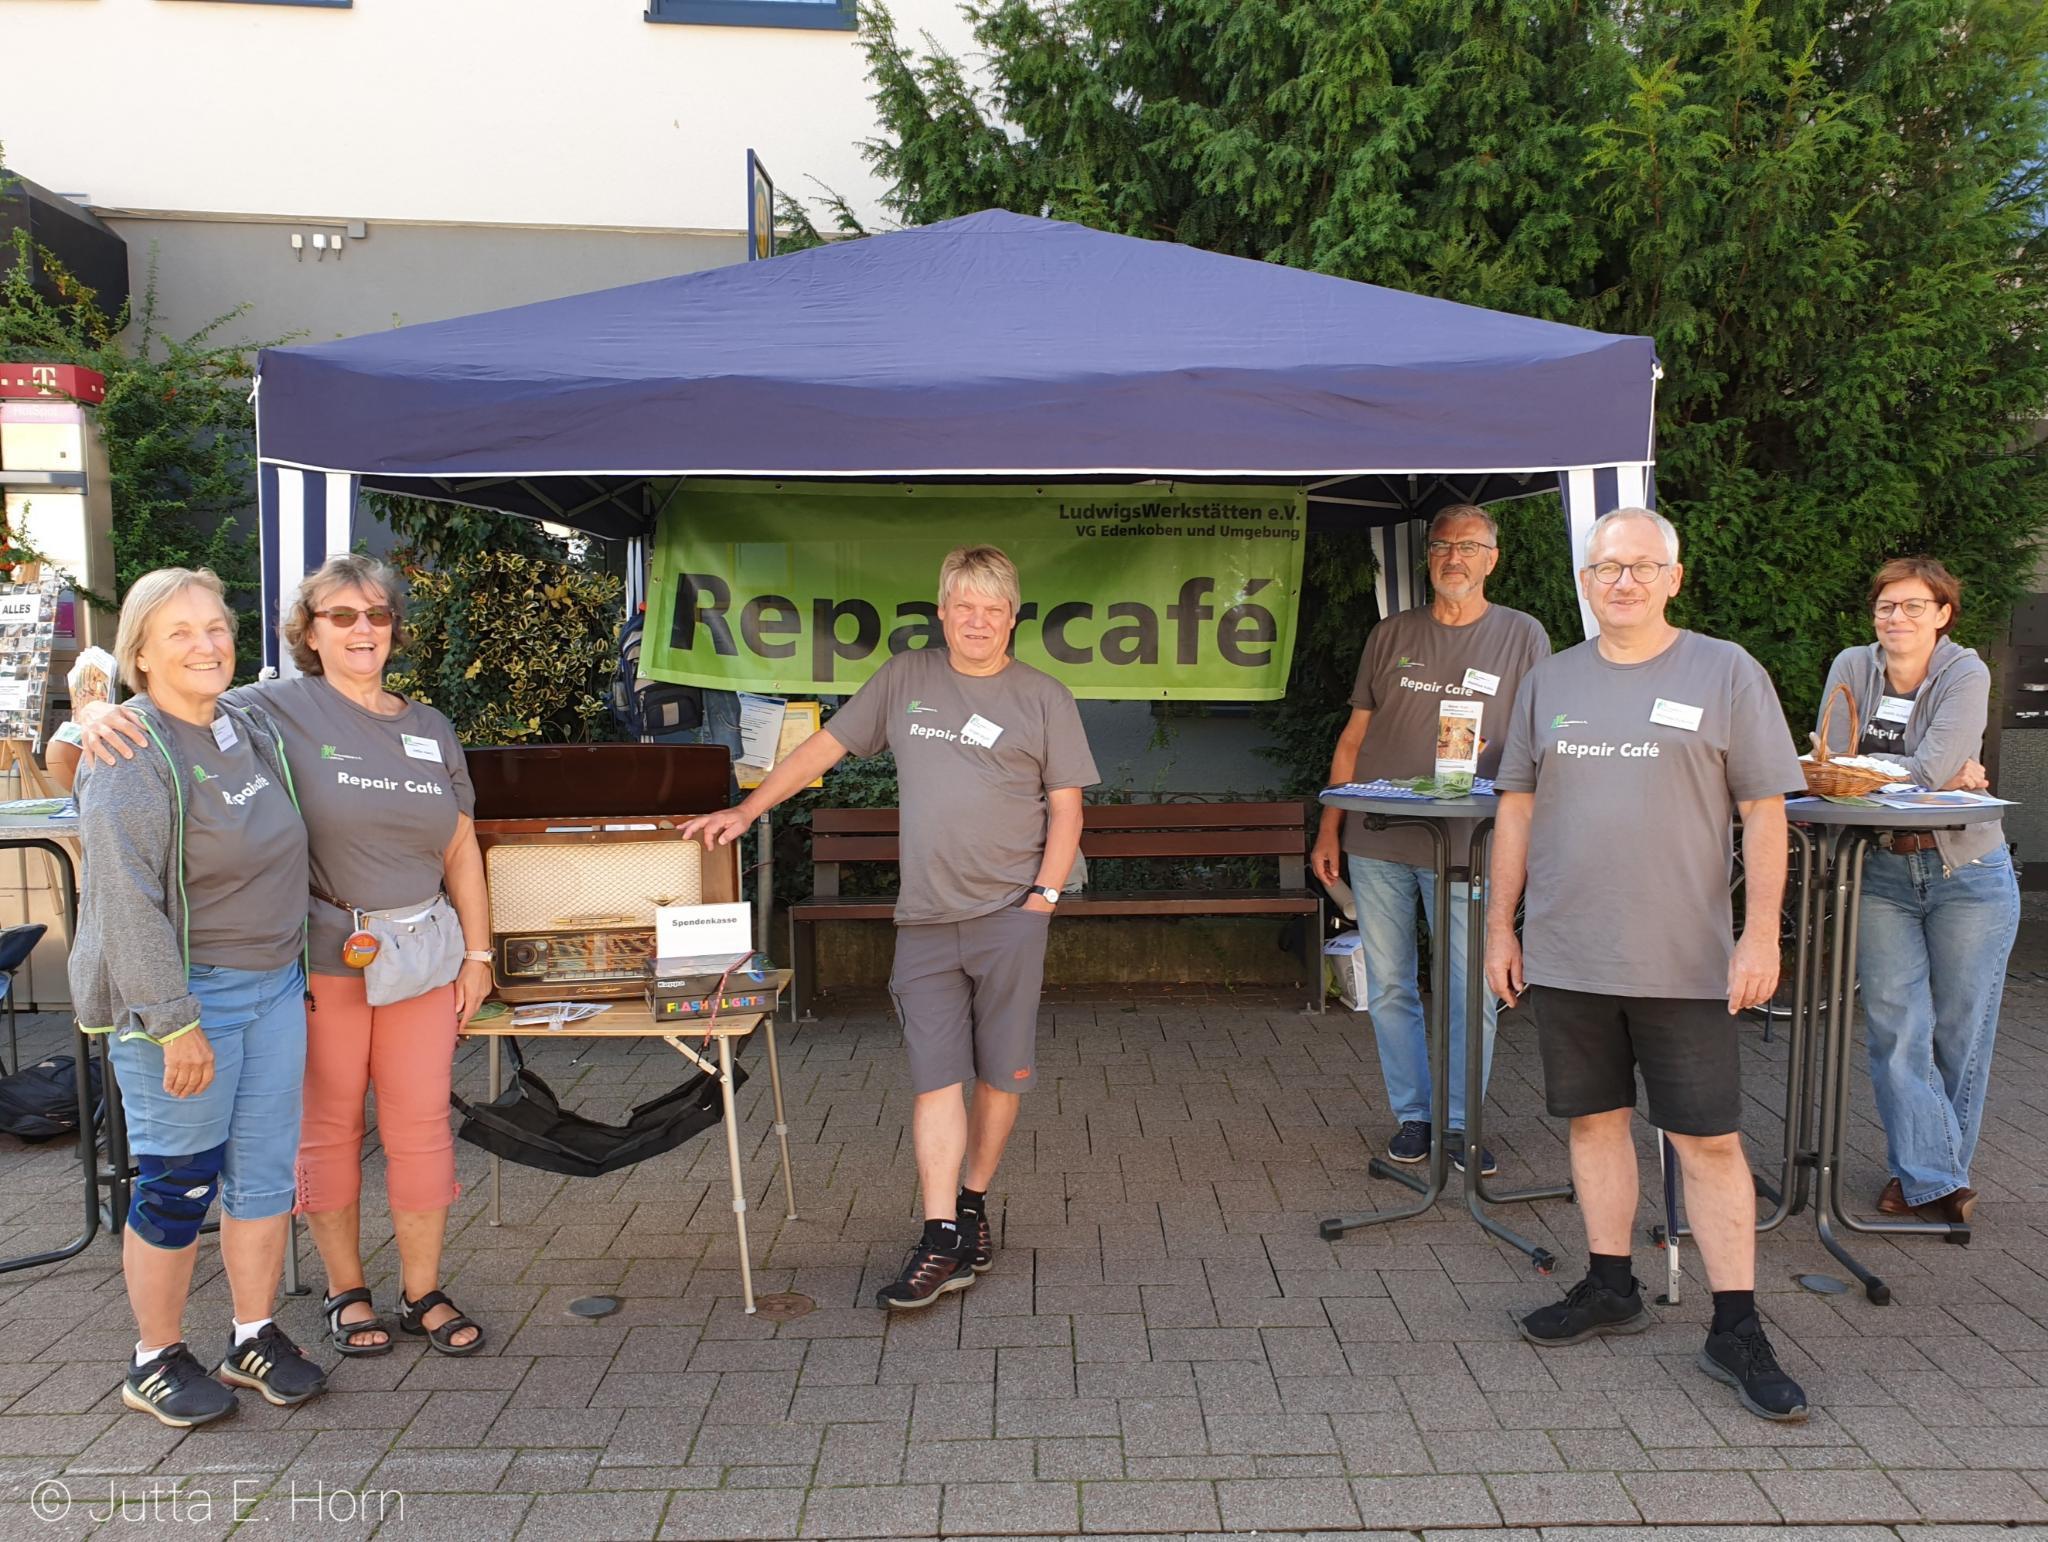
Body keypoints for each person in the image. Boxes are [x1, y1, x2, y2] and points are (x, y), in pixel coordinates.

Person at [78, 554, 492, 1359]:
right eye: (342, 615)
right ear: (309, 631)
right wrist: (94, 711)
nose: (363, 629)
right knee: (325, 1131)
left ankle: (422, 1291)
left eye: (377, 614)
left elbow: (461, 845)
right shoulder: (269, 709)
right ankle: (345, 1290)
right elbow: (166, 697)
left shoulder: (429, 726)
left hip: (419, 957)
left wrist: (479, 954)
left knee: (419, 1126)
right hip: (321, 959)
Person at [682, 545, 1097, 1310]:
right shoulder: (906, 678)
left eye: (993, 609)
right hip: (926, 924)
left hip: (1010, 917)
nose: (978, 621)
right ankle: (942, 1237)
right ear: (942, 612)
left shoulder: (1044, 697)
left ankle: (972, 1204)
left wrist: (1041, 902)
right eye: (964, 606)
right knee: (935, 1079)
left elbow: (1068, 810)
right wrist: (747, 809)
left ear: (1013, 617)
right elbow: (824, 748)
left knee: (1000, 1077)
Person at [1485, 507, 1810, 1423]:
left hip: (1685, 961)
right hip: (1569, 952)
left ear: (1674, 577)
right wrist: (1501, 928)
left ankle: (1735, 1327)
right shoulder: (1550, 680)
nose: (1621, 581)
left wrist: (1761, 934)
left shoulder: (1726, 670)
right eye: (1605, 568)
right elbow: (1516, 808)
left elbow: (1765, 810)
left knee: (1707, 1141)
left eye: (1639, 566)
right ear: (1585, 582)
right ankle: (1611, 1285)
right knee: (1594, 1124)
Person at [70, 568, 323, 1427]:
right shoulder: (128, 754)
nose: (207, 645)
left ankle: (252, 1335)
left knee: (264, 1177)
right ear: (141, 654)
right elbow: (123, 901)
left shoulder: (247, 721)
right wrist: (175, 1023)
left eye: (216, 627)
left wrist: (87, 703)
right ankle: (154, 1357)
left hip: (275, 986)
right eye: (179, 633)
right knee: (178, 1184)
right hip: (181, 1000)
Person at [1311, 505, 1549, 1175]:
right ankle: (1415, 1118)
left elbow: (1542, 738)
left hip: (1471, 844)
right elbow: (1354, 738)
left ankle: (1461, 1123)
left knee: (1471, 987)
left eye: (1469, 547)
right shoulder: (1391, 634)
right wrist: (1329, 824)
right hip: (1378, 839)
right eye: (1443, 545)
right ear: (1428, 556)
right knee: (1390, 986)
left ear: (1492, 559)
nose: (1454, 557)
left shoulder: (1523, 635)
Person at [1814, 557, 2017, 1226]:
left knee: (1960, 1032)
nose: (1895, 617)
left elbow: (1924, 768)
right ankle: (1935, 1179)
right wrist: (1930, 771)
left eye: (1912, 606)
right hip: (1880, 871)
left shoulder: (1964, 672)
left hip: (1968, 873)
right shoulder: (1852, 665)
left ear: (1942, 615)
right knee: (1896, 1029)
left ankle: (1928, 1173)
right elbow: (1833, 765)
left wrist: (1906, 771)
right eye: (1885, 606)